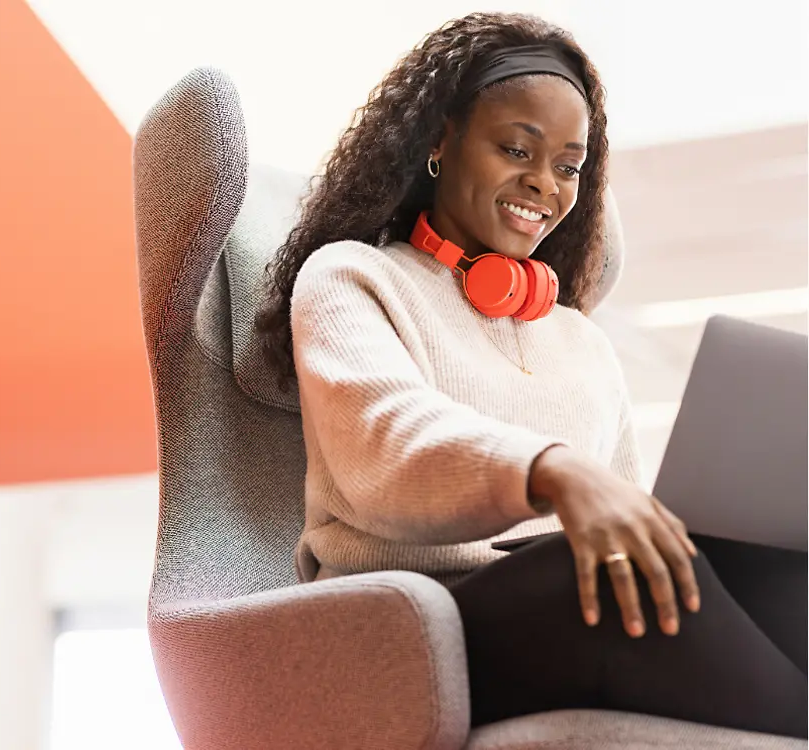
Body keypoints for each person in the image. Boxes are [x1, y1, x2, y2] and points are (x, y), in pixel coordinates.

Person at [255, 11, 808, 739]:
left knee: (784, 586)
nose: (544, 185)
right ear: (439, 141)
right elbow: (385, 443)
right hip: (409, 620)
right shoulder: (353, 278)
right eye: (518, 149)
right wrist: (553, 472)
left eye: (569, 166)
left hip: (560, 600)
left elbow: (627, 509)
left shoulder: (580, 340)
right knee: (610, 584)